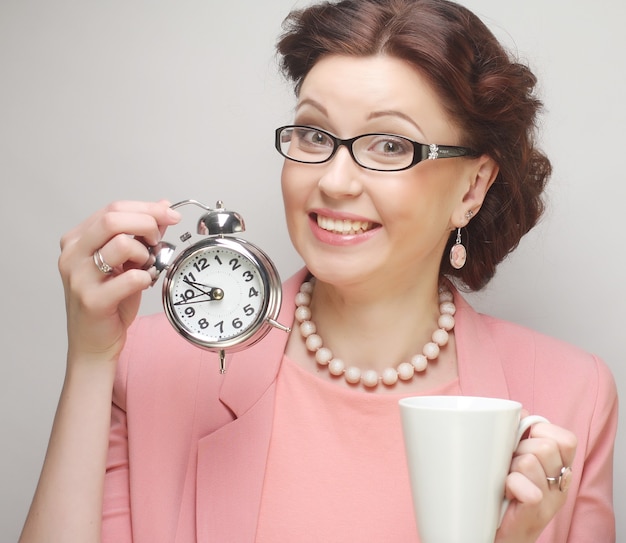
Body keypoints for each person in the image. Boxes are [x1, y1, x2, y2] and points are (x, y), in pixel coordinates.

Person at [19, 0, 617, 542]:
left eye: (389, 145)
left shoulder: (572, 396)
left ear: (473, 186)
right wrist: (91, 359)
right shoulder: (147, 367)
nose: (333, 180)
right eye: (313, 133)